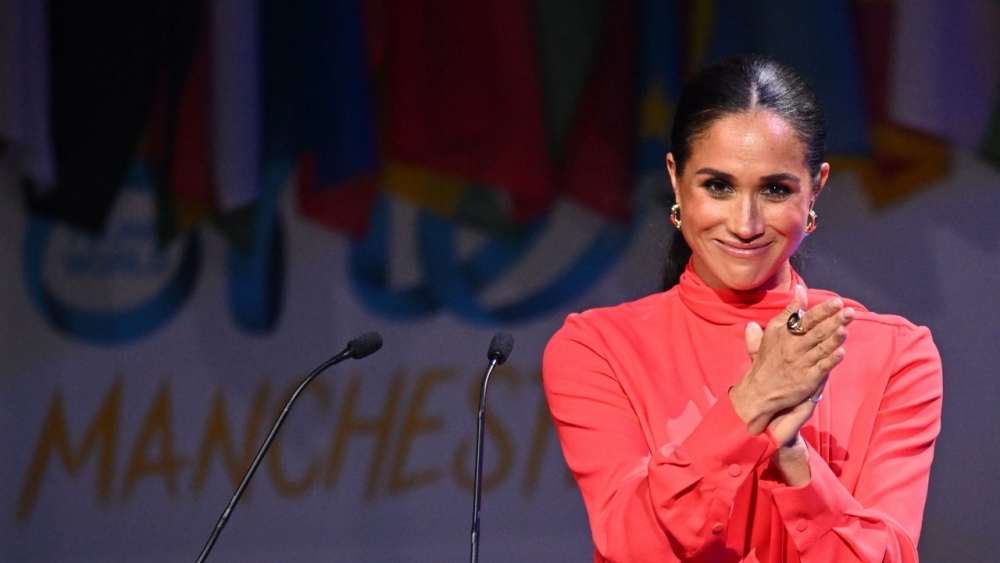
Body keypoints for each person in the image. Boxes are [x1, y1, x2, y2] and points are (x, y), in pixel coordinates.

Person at [542, 54, 942, 563]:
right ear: (676, 179)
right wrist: (752, 403)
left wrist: (794, 459)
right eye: (718, 186)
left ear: (815, 189)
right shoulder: (596, 348)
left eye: (775, 190)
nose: (745, 224)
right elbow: (633, 545)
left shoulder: (897, 355)